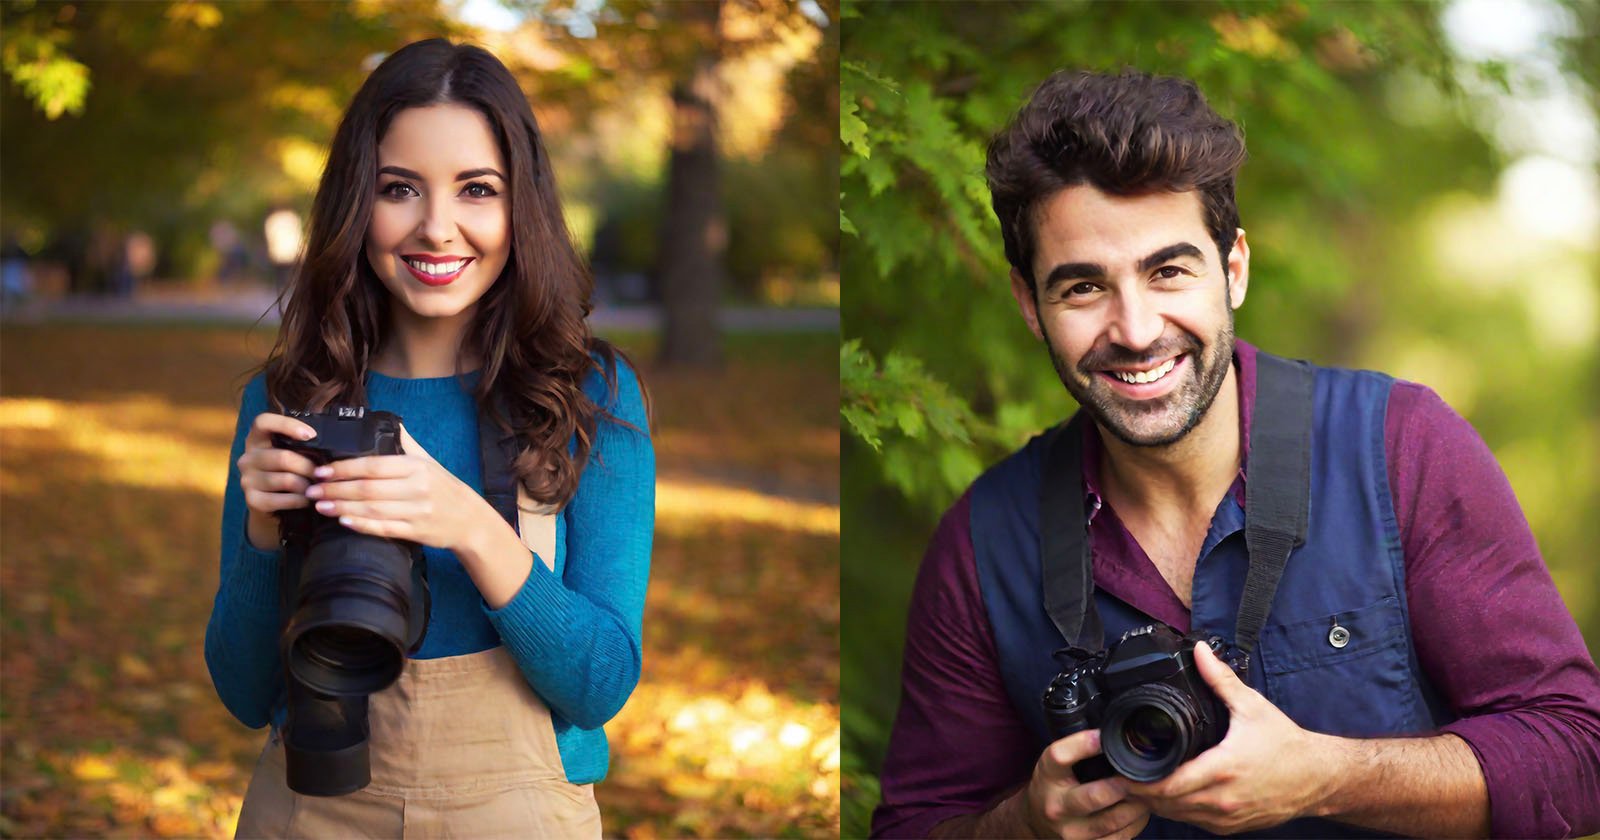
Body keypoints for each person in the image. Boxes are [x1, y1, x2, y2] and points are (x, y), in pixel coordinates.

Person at [871, 70, 1600, 839]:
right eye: (1084, 287)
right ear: (1029, 304)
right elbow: (915, 827)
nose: (1136, 328)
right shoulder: (984, 545)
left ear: (1234, 268)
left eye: (1168, 271)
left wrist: (1330, 777)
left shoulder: (1401, 446)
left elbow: (1579, 756)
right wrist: (1025, 825)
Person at [203, 38, 654, 837]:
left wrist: (472, 526)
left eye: (477, 189)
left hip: (517, 813)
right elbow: (243, 696)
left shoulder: (586, 396)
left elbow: (601, 685)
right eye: (399, 189)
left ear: (522, 207)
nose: (437, 228)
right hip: (310, 807)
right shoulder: (289, 397)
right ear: (355, 203)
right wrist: (265, 535)